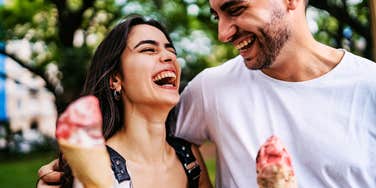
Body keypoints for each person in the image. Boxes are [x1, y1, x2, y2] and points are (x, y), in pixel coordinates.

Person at [39, 0, 376, 187]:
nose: (222, 33)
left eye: (236, 9)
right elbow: (143, 129)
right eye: (216, 15)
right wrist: (72, 169)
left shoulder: (369, 87)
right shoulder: (212, 88)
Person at [38, 16, 212, 188]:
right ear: (115, 79)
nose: (168, 57)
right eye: (148, 50)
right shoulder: (93, 169)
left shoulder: (189, 159)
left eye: (172, 51)